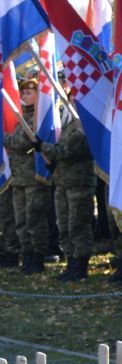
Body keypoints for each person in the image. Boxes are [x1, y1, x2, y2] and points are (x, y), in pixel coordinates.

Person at [40, 107, 96, 281]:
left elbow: (67, 150)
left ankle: (80, 266)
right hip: (62, 181)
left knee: (77, 224)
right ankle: (71, 263)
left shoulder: (83, 125)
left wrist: (41, 146)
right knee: (63, 225)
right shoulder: (67, 125)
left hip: (79, 183)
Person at [3, 79, 52, 273]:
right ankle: (27, 254)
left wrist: (3, 137)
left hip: (34, 177)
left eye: (29, 93)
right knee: (21, 220)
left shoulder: (38, 118)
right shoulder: (20, 118)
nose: (24, 97)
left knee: (34, 219)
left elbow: (23, 141)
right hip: (19, 178)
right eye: (22, 93)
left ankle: (38, 256)